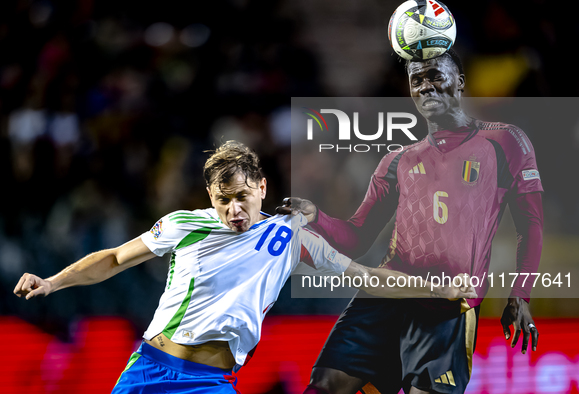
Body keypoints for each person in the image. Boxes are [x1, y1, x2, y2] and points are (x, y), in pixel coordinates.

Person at [13, 140, 475, 393]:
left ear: (261, 186)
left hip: (211, 382)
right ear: (210, 198)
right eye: (222, 200)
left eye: (242, 196)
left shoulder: (290, 237)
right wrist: (51, 282)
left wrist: (434, 289)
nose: (234, 209)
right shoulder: (184, 225)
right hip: (149, 371)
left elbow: (367, 278)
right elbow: (113, 258)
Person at [279, 49, 544, 394]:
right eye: (417, 80)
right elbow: (357, 238)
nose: (426, 87)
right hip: (385, 295)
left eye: (436, 76)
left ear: (460, 83)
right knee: (324, 386)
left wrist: (520, 295)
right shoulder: (396, 161)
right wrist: (318, 218)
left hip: (448, 305)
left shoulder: (505, 140)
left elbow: (531, 224)